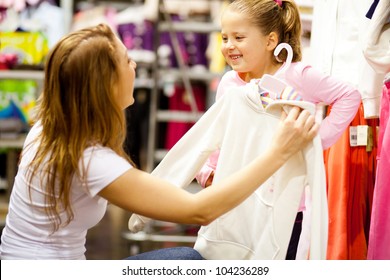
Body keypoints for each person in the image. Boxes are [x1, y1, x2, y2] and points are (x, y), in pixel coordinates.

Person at [0, 23, 318, 260]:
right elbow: (199, 210)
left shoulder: (52, 126)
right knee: (188, 260)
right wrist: (278, 152)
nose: (135, 65)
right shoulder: (88, 157)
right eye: (127, 60)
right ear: (105, 84)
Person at [195, 0, 361, 260]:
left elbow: (349, 96)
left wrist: (314, 141)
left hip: (285, 207)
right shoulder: (229, 82)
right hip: (235, 204)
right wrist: (208, 172)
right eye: (224, 37)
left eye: (238, 37)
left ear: (270, 40)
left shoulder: (298, 75)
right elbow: (219, 136)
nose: (228, 46)